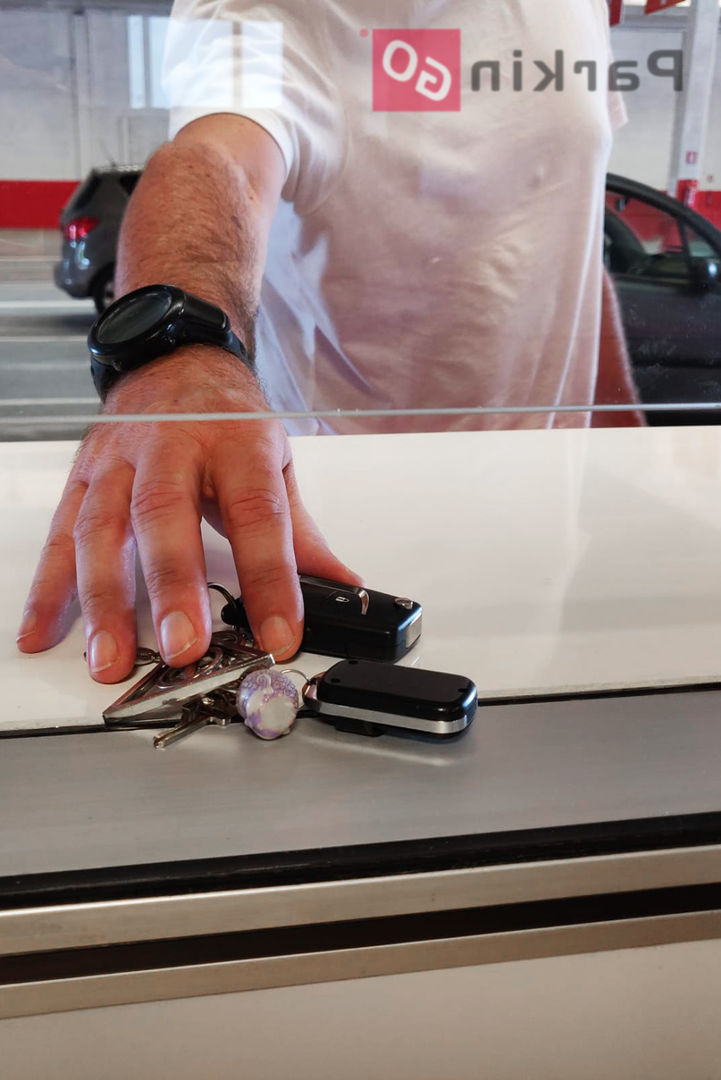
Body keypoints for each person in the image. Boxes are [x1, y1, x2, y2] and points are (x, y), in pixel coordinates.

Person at [17, 0, 637, 681]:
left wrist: (634, 452)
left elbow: (571, 237)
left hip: (544, 554)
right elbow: (217, 162)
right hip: (341, 571)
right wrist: (175, 354)